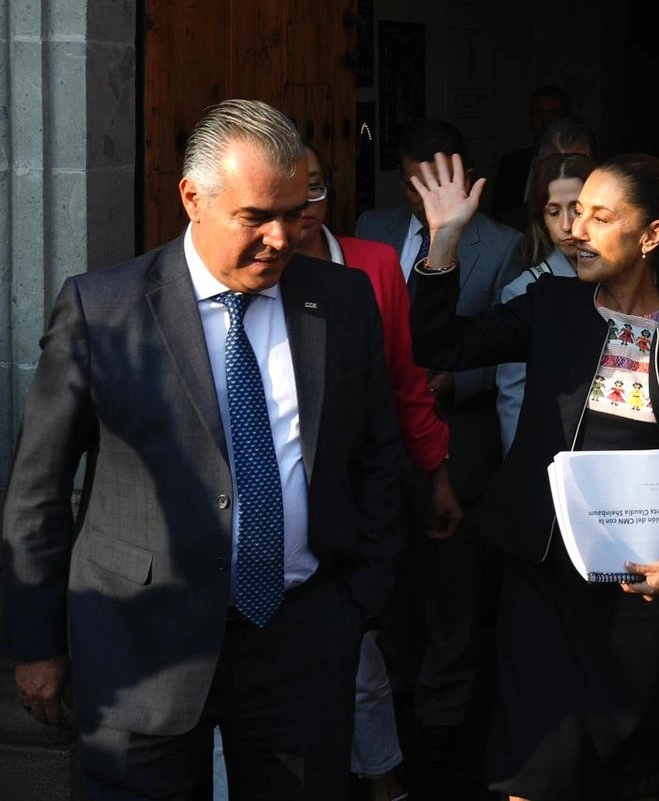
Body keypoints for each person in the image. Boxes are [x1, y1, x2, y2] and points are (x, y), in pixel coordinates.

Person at [0, 99, 403, 799]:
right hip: (141, 647)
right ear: (193, 197)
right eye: (256, 217)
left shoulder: (340, 299)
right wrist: (36, 643)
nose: (281, 237)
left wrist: (356, 602)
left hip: (300, 639)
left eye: (294, 209)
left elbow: (375, 455)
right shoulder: (104, 309)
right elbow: (37, 489)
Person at [408, 150, 659, 801]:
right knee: (533, 761)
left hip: (642, 591)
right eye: (574, 213)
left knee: (629, 768)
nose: (576, 230)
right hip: (542, 575)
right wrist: (444, 240)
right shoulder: (550, 304)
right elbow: (439, 344)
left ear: (651, 236)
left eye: (599, 216)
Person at [212, 142, 459, 801]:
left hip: (326, 578)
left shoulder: (362, 275)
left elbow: (396, 397)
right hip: (206, 610)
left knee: (349, 697)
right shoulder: (165, 302)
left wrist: (362, 589)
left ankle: (386, 778)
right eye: (266, 209)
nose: (291, 223)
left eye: (308, 197)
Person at [356, 117, 523, 762]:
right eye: (406, 182)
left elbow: (512, 343)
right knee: (389, 576)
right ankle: (392, 699)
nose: (415, 197)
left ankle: (444, 719)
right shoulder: (370, 229)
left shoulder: (503, 244)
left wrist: (456, 379)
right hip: (378, 440)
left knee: (453, 588)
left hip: (456, 440)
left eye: (427, 182)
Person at [496, 151, 597, 453]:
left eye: (577, 209)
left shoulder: (625, 280)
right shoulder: (525, 290)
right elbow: (514, 397)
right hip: (552, 455)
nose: (567, 225)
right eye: (553, 212)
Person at [493, 114, 599, 234]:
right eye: (553, 168)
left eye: (577, 167)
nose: (564, 176)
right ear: (536, 170)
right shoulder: (511, 236)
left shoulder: (612, 228)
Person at [490, 84, 571, 222]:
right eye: (539, 113)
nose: (546, 120)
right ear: (530, 118)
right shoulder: (510, 164)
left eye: (554, 114)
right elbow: (499, 216)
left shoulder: (575, 164)